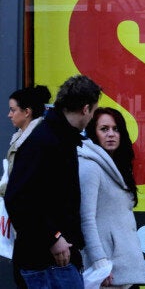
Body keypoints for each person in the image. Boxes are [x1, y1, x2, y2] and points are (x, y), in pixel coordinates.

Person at [5, 74, 102, 288]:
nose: (92, 117)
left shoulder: (58, 136)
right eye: (94, 111)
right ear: (85, 109)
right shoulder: (47, 140)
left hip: (53, 262)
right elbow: (17, 198)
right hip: (47, 264)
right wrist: (54, 237)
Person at [79, 107, 145, 288]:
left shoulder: (120, 167)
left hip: (126, 267)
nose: (111, 134)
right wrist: (100, 263)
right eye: (104, 129)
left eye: (115, 129)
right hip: (108, 269)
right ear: (93, 132)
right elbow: (86, 219)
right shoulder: (90, 166)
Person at [1, 86, 51, 197]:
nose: (9, 115)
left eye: (13, 110)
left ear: (27, 112)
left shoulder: (35, 142)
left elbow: (22, 184)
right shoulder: (25, 138)